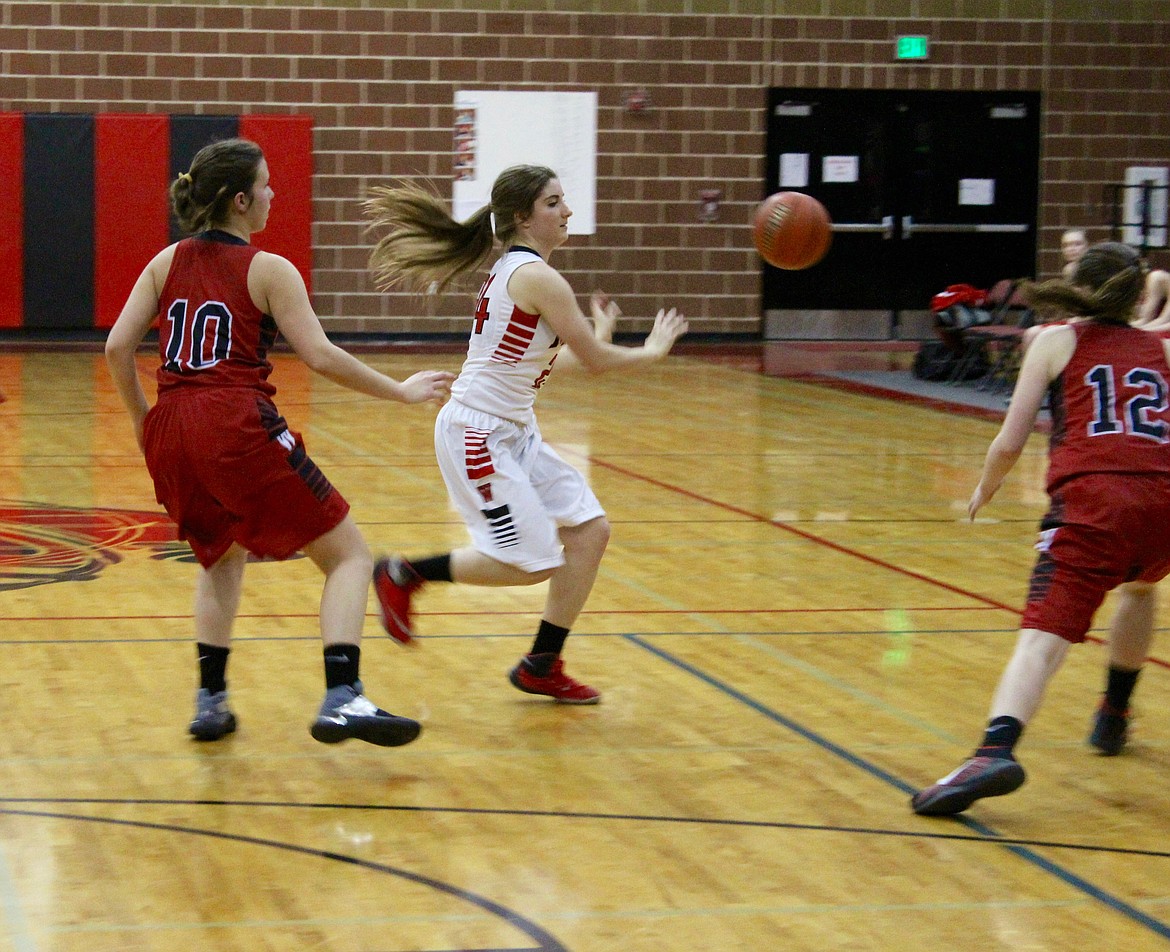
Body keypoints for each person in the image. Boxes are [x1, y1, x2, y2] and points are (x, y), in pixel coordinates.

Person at [104, 138, 454, 746]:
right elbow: (319, 355)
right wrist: (399, 392)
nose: (274, 194)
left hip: (173, 429)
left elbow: (115, 347)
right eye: (266, 185)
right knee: (348, 555)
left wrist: (143, 423)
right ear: (241, 201)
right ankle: (344, 696)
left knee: (220, 555)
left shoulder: (165, 261)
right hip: (235, 424)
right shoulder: (269, 269)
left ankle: (210, 700)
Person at [362, 165, 687, 703]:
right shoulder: (536, 276)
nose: (567, 212)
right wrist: (649, 351)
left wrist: (597, 337)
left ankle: (542, 662)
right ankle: (403, 572)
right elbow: (598, 363)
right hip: (478, 433)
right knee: (526, 561)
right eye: (554, 203)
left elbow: (541, 363)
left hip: (513, 430)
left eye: (564, 201)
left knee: (589, 531)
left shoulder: (519, 272)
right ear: (522, 217)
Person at [911, 241, 1170, 815]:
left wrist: (984, 488)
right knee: (1141, 585)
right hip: (1163, 505)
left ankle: (994, 748)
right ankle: (1114, 716)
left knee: (1041, 639)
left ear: (1078, 285)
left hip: (1096, 505)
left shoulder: (1054, 339)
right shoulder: (1158, 347)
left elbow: (1010, 440)